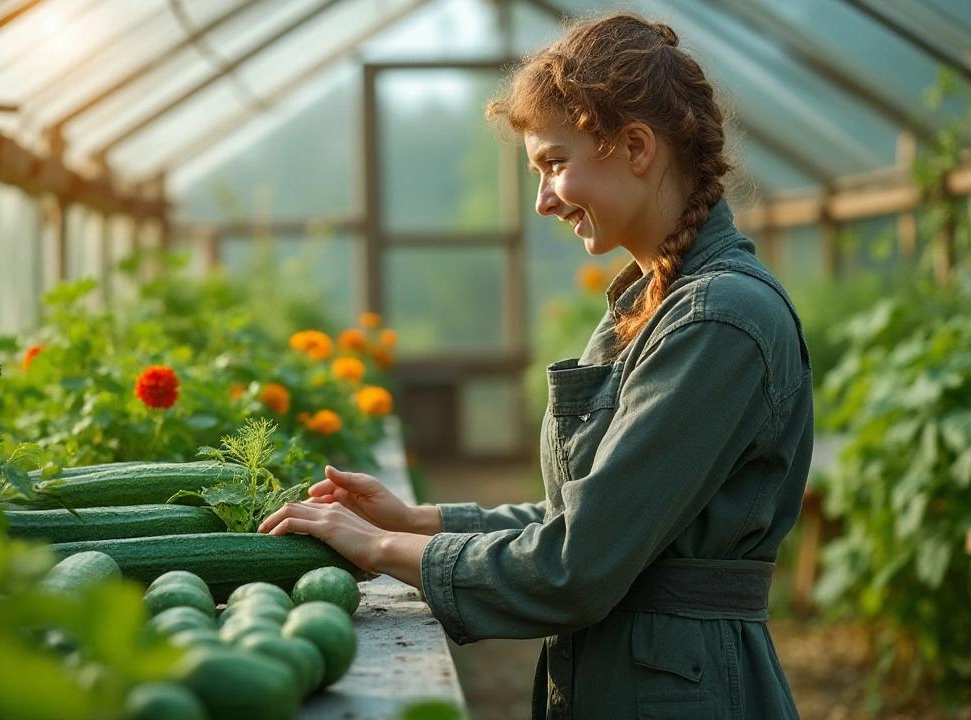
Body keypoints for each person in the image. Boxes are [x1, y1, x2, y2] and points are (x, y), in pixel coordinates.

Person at [260, 12, 812, 719]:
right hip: (643, 673)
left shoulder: (719, 321)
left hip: (678, 692)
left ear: (636, 146)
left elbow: (576, 565)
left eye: (555, 163)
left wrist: (380, 546)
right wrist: (422, 520)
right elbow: (585, 516)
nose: (544, 200)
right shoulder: (656, 301)